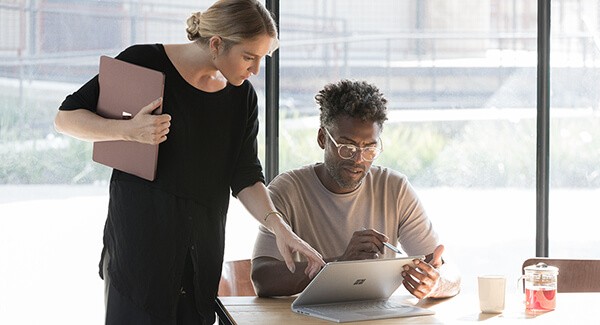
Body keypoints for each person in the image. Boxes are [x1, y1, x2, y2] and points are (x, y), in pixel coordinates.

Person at [54, 1, 324, 323]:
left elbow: (246, 176)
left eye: (261, 59)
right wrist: (127, 131)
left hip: (199, 266)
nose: (254, 70)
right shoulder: (143, 62)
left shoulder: (242, 98)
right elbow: (66, 117)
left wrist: (280, 227)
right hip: (138, 258)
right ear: (216, 44)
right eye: (249, 57)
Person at [251, 79, 461, 299]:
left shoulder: (395, 189)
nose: (358, 159)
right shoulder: (287, 191)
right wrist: (339, 265)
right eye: (346, 147)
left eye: (369, 148)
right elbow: (262, 279)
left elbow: (449, 273)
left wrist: (436, 284)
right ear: (323, 138)